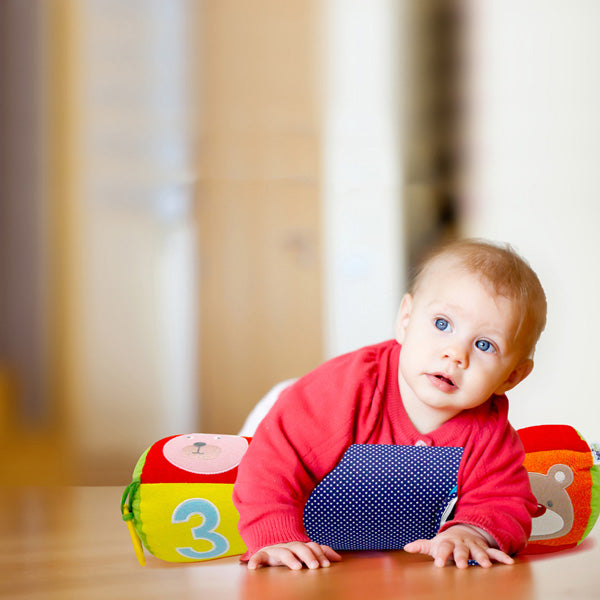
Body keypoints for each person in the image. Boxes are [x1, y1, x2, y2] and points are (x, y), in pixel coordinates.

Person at [232, 239, 546, 570]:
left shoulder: (489, 430)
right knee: (243, 464)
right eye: (442, 324)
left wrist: (470, 532)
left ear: (511, 376)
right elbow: (273, 461)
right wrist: (275, 535)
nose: (455, 354)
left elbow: (503, 500)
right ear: (406, 320)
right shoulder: (344, 390)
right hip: (285, 415)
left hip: (373, 530)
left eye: (485, 345)